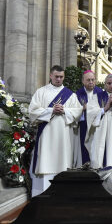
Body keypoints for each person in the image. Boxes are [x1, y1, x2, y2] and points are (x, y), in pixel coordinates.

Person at [29, 65, 82, 197]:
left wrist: (65, 110)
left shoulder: (70, 95)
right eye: (56, 76)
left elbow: (78, 111)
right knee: (45, 161)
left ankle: (63, 195)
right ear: (50, 76)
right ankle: (42, 195)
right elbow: (32, 111)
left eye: (61, 77)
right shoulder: (41, 92)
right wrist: (50, 110)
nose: (59, 79)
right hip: (46, 134)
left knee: (62, 164)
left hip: (64, 135)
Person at [74, 70, 103, 166]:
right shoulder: (77, 94)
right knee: (84, 149)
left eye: (93, 80)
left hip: (97, 126)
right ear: (83, 81)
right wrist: (82, 108)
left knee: (96, 148)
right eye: (88, 80)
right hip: (83, 125)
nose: (91, 82)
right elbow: (74, 110)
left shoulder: (101, 93)